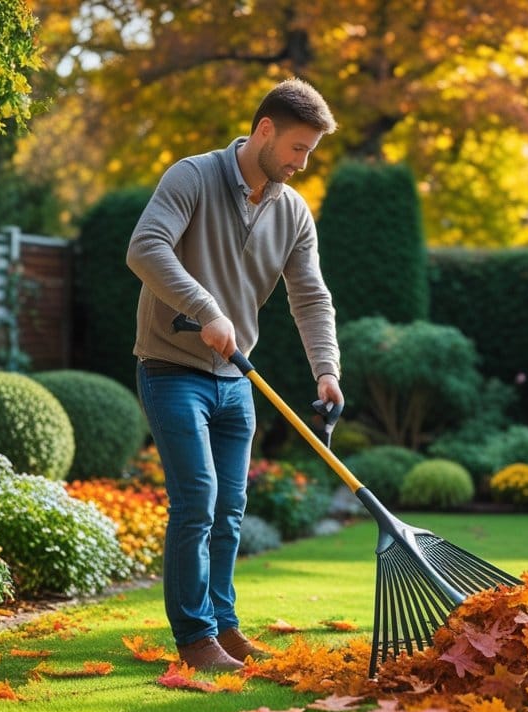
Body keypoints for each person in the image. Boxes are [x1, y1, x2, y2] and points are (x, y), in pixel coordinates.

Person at [126, 79, 344, 672]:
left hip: (236, 378)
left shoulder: (292, 212)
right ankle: (195, 637)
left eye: (310, 153)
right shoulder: (192, 177)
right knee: (198, 500)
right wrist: (207, 309)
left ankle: (224, 626)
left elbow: (311, 297)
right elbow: (145, 248)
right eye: (297, 148)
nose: (302, 164)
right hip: (173, 369)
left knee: (229, 510)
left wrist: (326, 369)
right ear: (265, 130)